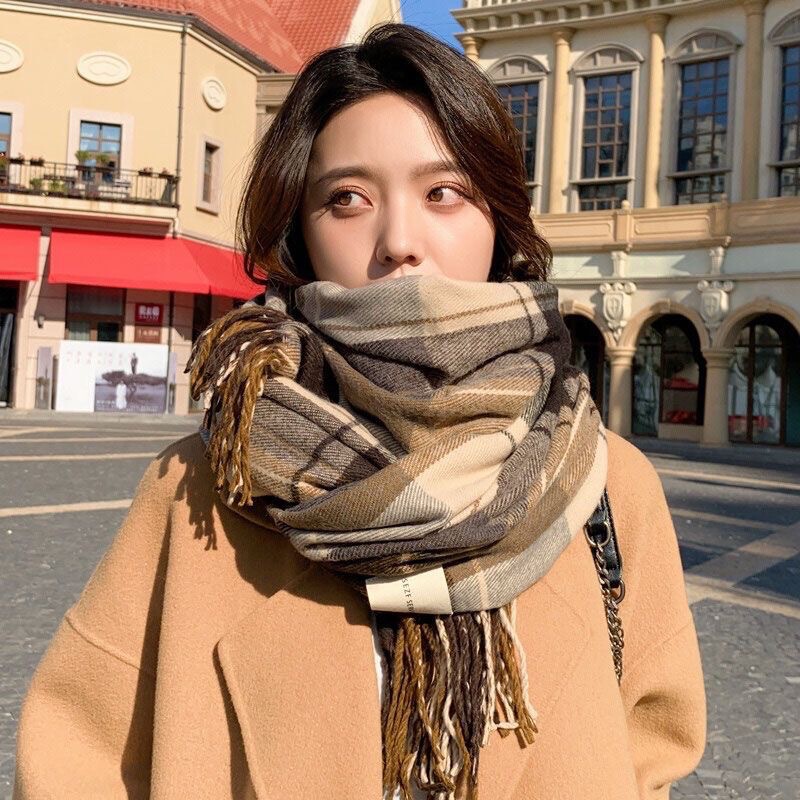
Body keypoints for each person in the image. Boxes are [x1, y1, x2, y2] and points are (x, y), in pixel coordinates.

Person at [13, 23, 706, 800]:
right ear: (300, 232)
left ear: (498, 217)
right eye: (347, 199)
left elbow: (652, 742)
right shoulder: (201, 488)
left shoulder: (608, 486)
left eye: (444, 193)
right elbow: (81, 753)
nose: (399, 241)